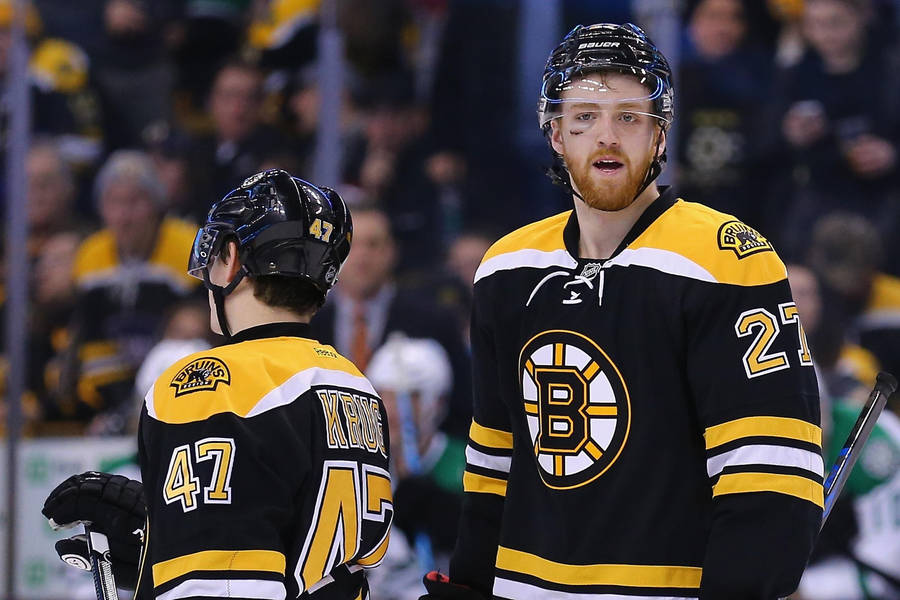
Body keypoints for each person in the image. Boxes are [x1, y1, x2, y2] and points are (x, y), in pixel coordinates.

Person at [420, 23, 823, 600]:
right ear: (555, 134)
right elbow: (492, 467)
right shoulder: (506, 269)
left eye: (629, 117)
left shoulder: (725, 260)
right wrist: (468, 584)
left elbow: (769, 475)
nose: (606, 137)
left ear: (660, 134)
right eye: (584, 117)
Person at [41, 169, 393, 599]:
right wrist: (158, 539)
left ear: (232, 258)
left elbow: (219, 586)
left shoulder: (208, 383)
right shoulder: (357, 385)